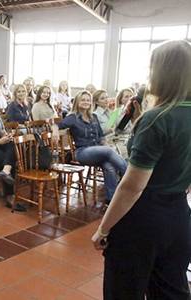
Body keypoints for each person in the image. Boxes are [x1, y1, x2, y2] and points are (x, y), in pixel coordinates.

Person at [91, 40, 191, 300]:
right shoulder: (160, 117)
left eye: (151, 69)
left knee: (124, 289)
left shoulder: (156, 118)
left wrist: (104, 228)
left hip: (143, 219)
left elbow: (132, 186)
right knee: (170, 290)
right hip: (179, 215)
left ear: (164, 74)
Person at [58, 90, 127, 204]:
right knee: (109, 151)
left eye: (88, 100)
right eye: (83, 100)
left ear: (91, 102)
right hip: (82, 152)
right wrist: (55, 131)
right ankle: (129, 175)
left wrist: (105, 143)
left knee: (109, 166)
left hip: (98, 150)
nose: (86, 102)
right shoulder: (73, 117)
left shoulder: (94, 117)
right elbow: (57, 125)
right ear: (77, 102)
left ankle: (111, 200)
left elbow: (100, 136)